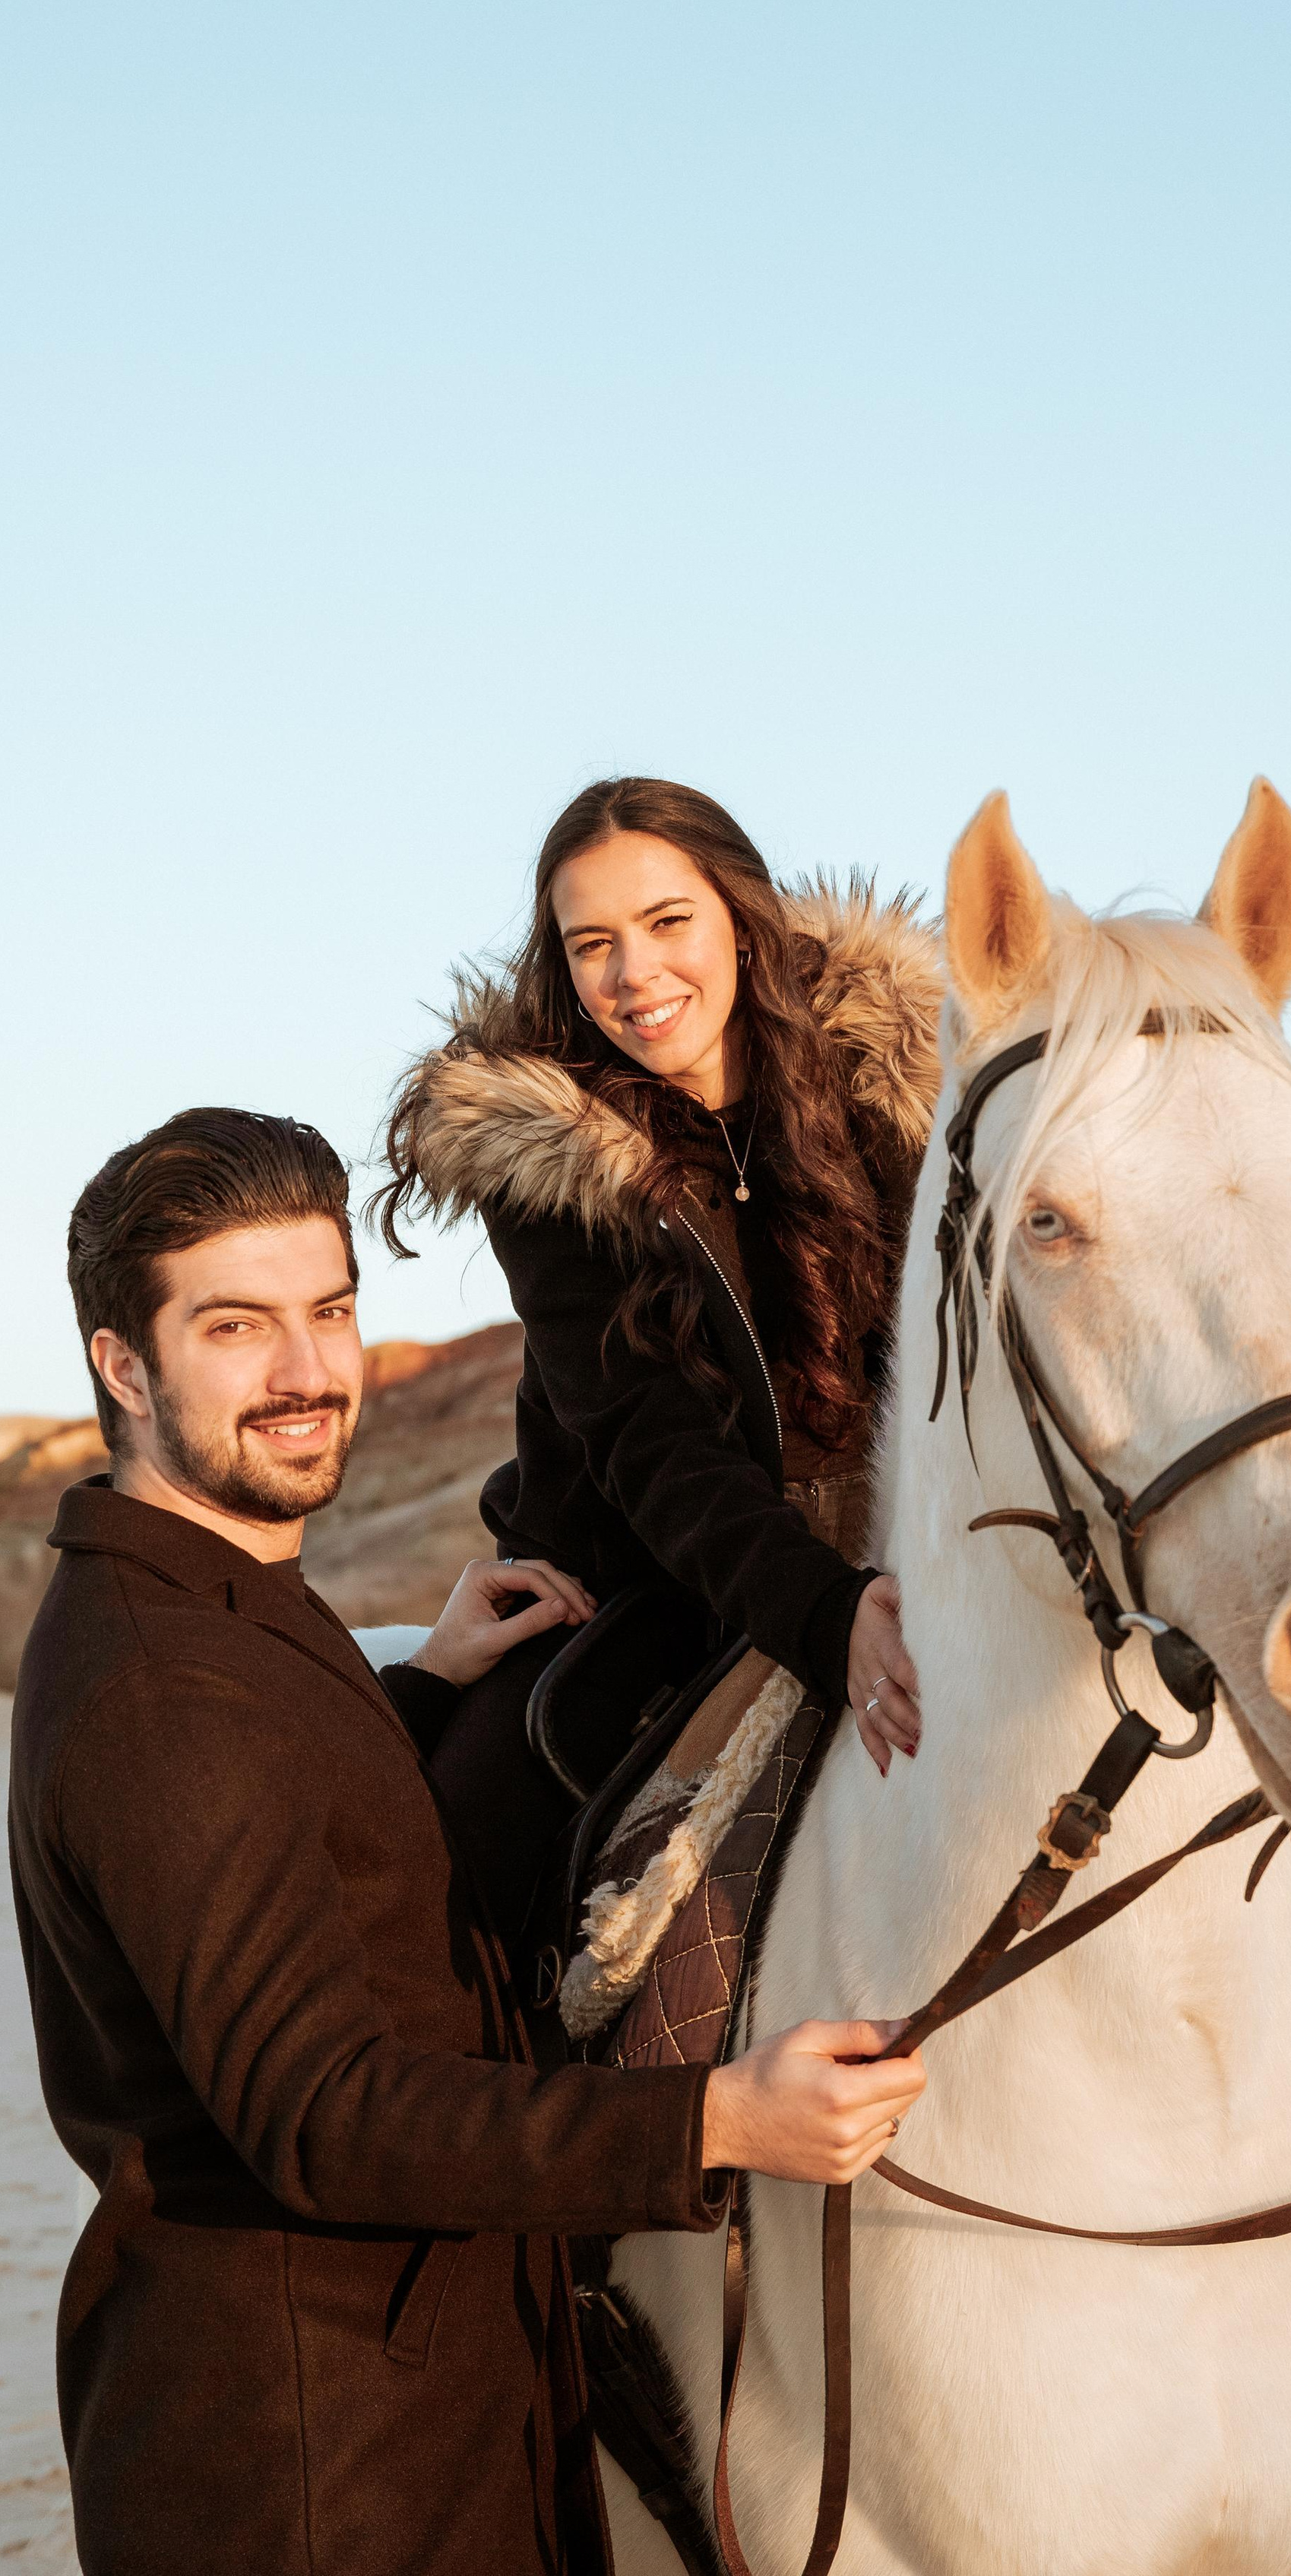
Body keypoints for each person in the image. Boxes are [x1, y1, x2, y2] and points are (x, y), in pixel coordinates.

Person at [8, 1105, 926, 2576]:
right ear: (124, 1362)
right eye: (236, 1328)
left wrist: (413, 1689)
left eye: (329, 1310)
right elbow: (327, 2114)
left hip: (399, 2403)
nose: (307, 1374)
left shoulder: (205, 1604)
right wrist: (718, 2122)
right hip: (320, 2476)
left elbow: (263, 1807)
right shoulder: (156, 1686)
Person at [376, 778, 942, 1949]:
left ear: (739, 917)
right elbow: (652, 1443)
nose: (634, 975)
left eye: (667, 923)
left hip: (908, 1548)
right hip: (644, 1589)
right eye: (594, 944)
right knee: (449, 1903)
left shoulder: (895, 1096)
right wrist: (824, 1615)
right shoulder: (551, 1160)